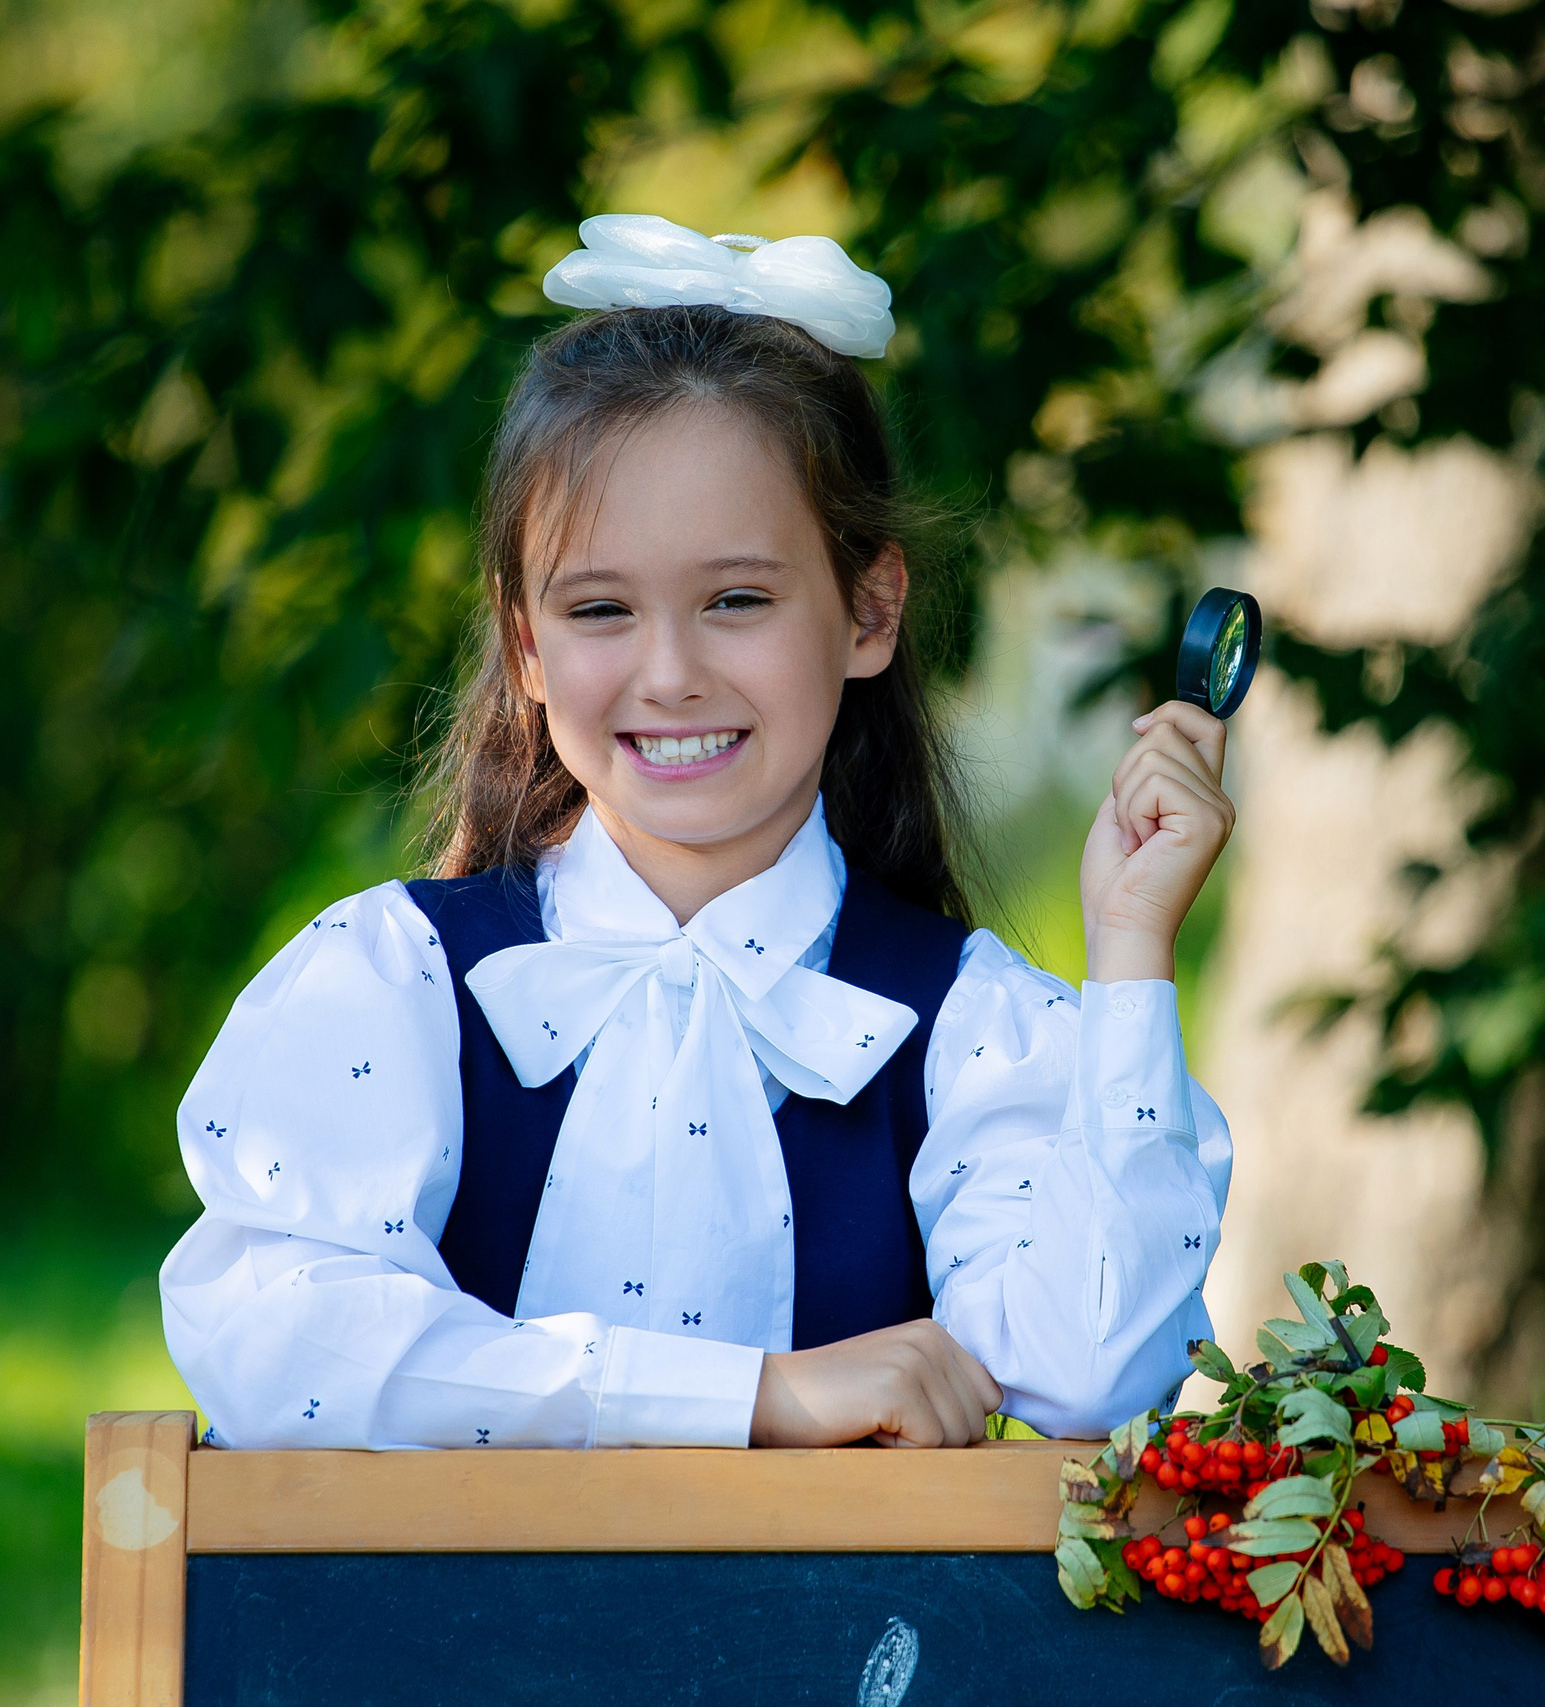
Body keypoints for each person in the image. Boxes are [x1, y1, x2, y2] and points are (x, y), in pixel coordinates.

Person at [160, 215, 1235, 1452]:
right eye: (601, 607)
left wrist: (1133, 948)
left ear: (869, 611)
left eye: (736, 600)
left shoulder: (970, 1030)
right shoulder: (391, 984)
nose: (668, 674)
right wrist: (752, 1401)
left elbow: (1093, 1375)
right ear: (524, 644)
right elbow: (279, 1351)